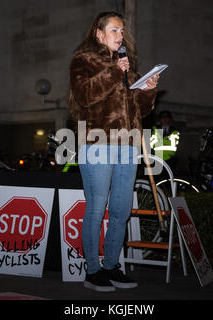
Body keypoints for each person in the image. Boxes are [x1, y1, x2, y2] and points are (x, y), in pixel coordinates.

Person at [68, 11, 158, 292]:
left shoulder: (126, 65)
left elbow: (140, 110)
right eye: (115, 30)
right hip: (97, 143)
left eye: (122, 31)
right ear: (99, 33)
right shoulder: (83, 61)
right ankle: (92, 270)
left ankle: (111, 266)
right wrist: (115, 71)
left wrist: (147, 90)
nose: (120, 35)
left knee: (120, 211)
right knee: (97, 208)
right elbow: (84, 95)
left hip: (128, 145)